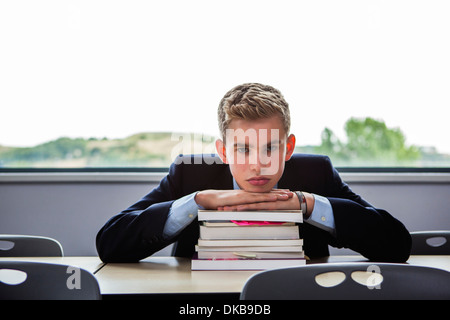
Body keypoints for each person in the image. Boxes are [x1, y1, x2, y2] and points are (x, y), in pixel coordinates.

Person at [96, 83, 411, 263]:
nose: (258, 164)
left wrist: (309, 204)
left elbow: (397, 244)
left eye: (270, 148)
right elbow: (110, 243)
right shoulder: (189, 175)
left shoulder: (316, 173)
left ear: (288, 148)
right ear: (222, 151)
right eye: (243, 149)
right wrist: (196, 201)